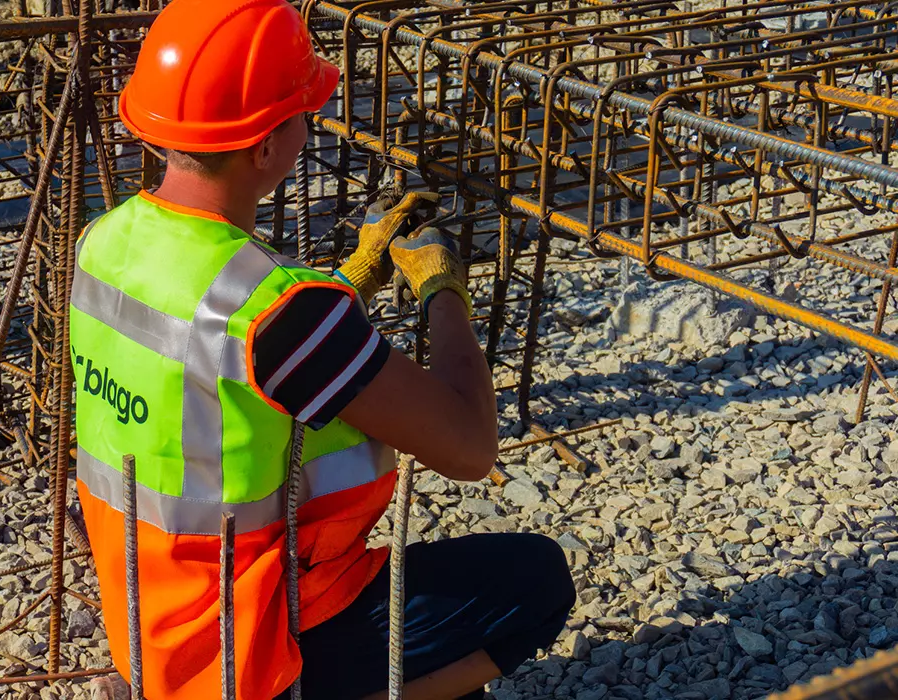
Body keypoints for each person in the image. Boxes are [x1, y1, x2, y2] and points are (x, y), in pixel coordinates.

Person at [70, 0, 576, 697]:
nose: (309, 126)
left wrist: (353, 281)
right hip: (249, 645)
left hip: (150, 622)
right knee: (536, 581)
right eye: (302, 111)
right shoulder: (279, 311)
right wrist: (442, 291)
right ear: (267, 145)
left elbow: (223, 353)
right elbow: (470, 448)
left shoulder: (105, 244)